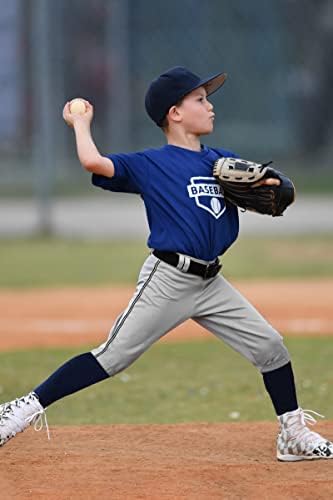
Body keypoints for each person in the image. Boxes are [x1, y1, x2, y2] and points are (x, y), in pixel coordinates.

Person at [0, 66, 332, 461]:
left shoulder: (221, 161)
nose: (210, 107)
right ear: (174, 113)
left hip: (212, 283)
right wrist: (80, 122)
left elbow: (268, 188)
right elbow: (93, 162)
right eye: (200, 99)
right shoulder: (150, 165)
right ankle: (20, 411)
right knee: (112, 357)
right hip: (169, 280)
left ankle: (292, 433)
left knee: (271, 347)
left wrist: (275, 187)